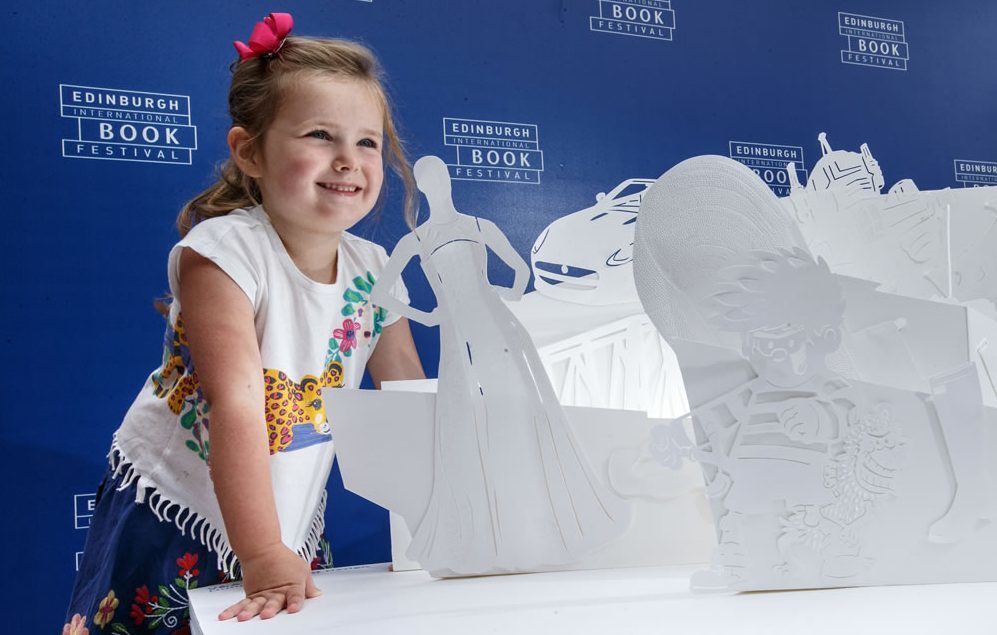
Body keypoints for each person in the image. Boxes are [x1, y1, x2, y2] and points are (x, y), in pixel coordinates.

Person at [63, 13, 424, 633]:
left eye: (367, 142)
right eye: (319, 135)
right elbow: (235, 403)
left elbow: (411, 402)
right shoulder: (223, 253)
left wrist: (443, 528)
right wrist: (259, 553)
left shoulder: (376, 269)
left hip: (287, 506)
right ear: (249, 151)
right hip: (182, 505)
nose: (348, 160)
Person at [371, 156, 630, 577]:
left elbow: (520, 270)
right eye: (427, 179)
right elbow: (382, 295)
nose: (437, 184)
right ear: (421, 186)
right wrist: (429, 316)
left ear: (449, 180)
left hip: (499, 328)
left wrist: (506, 295)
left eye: (440, 176)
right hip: (458, 337)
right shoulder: (418, 238)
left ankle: (537, 528)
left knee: (518, 415)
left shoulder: (477, 226)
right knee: (471, 425)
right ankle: (492, 535)